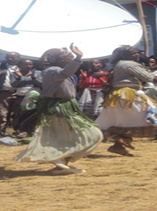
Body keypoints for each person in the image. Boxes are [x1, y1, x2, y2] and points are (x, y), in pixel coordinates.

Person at [15, 43, 103, 175]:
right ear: (61, 59)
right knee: (93, 133)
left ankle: (60, 165)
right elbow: (66, 72)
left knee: (68, 136)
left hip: (61, 106)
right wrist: (78, 57)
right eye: (69, 56)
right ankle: (56, 158)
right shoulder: (54, 70)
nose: (71, 58)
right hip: (59, 107)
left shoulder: (54, 71)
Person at [95, 46, 157, 156]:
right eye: (133, 53)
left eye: (137, 53)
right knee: (143, 117)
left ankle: (119, 145)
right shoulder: (130, 64)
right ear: (124, 55)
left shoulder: (118, 64)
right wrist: (147, 68)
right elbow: (148, 77)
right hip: (128, 95)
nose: (137, 55)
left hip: (118, 95)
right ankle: (119, 140)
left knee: (123, 120)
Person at [10, 58, 42, 138]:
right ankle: (21, 130)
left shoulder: (38, 73)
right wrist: (19, 77)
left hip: (34, 97)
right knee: (20, 113)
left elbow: (41, 84)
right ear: (20, 65)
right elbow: (13, 85)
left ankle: (32, 131)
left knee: (33, 114)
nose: (29, 66)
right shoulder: (15, 74)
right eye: (26, 64)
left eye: (30, 64)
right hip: (21, 97)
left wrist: (34, 78)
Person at [0, 52, 20, 136]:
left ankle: (18, 131)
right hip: (2, 93)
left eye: (12, 57)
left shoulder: (22, 66)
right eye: (8, 57)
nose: (10, 59)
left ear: (18, 58)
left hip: (18, 93)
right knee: (2, 113)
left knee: (18, 113)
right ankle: (1, 132)